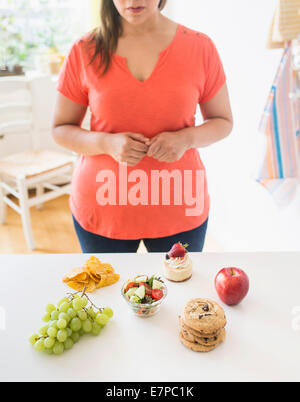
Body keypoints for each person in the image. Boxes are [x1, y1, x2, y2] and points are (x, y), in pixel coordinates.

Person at [52, 0, 233, 253]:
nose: (133, 1)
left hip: (179, 207)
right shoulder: (84, 49)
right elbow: (61, 129)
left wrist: (185, 139)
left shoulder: (200, 46)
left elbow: (223, 122)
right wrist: (106, 143)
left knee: (178, 291)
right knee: (108, 292)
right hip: (103, 209)